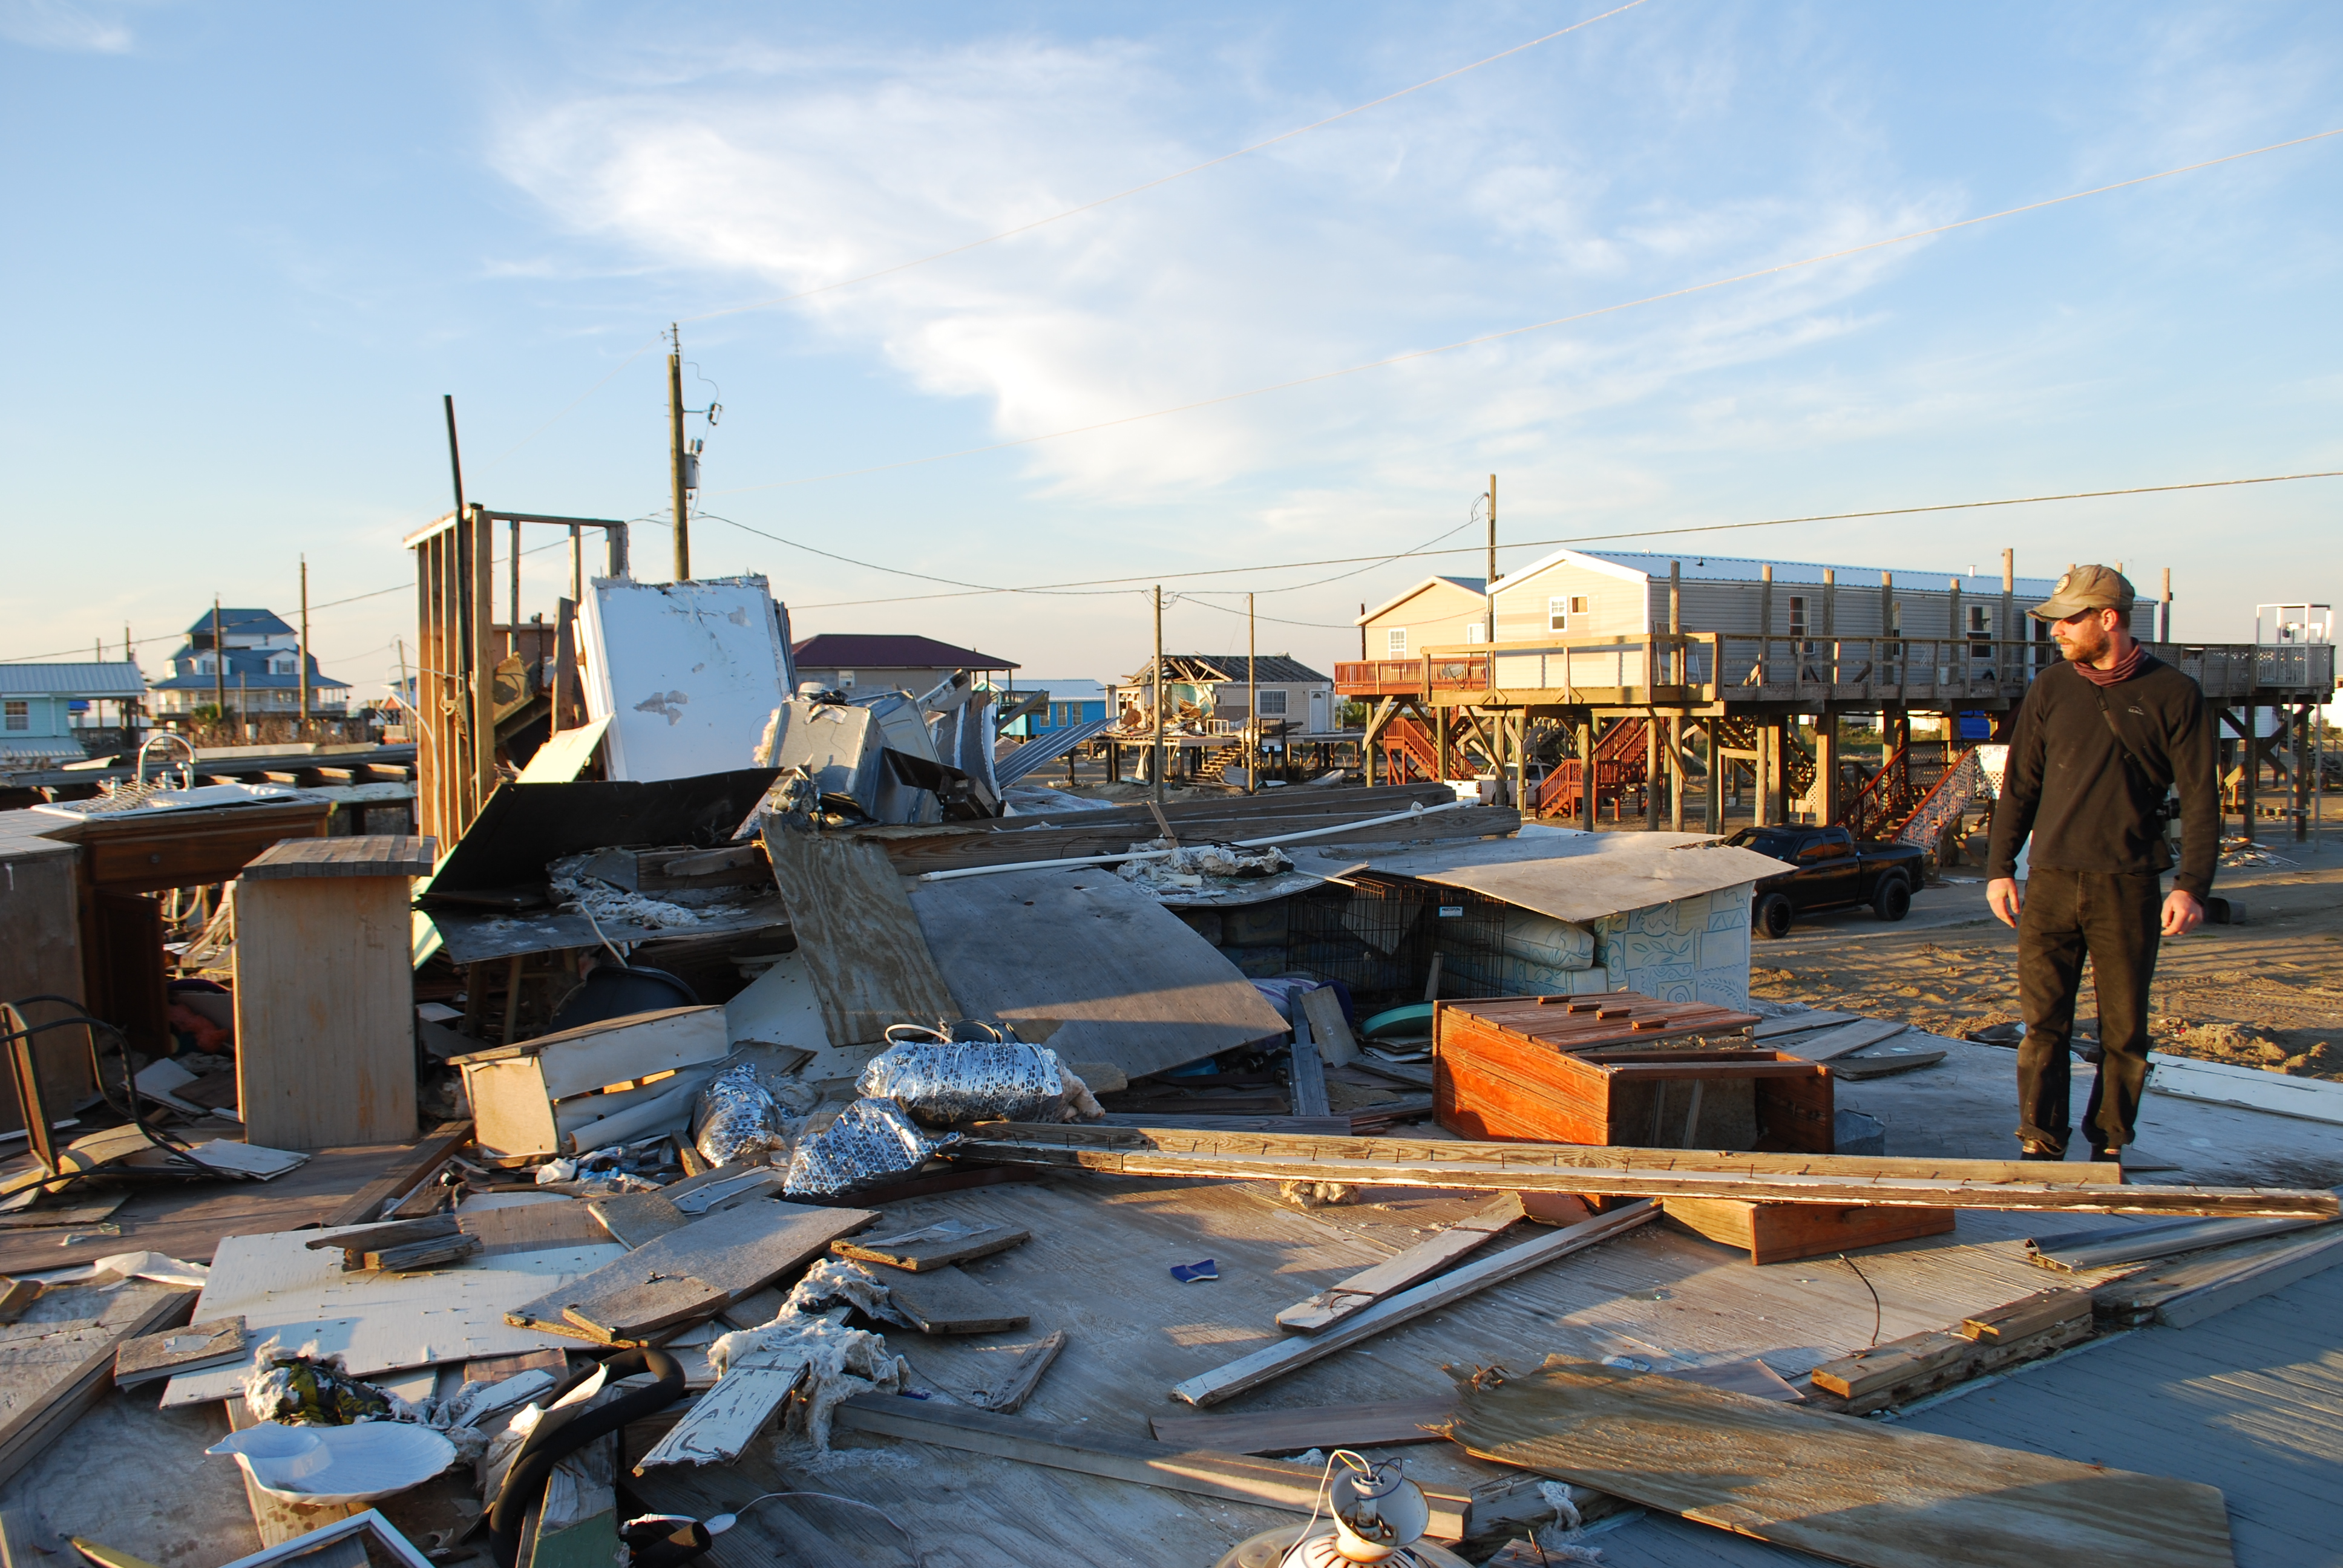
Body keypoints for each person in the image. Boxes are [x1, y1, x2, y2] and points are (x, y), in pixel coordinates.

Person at [1985, 564, 2218, 1163]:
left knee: (2124, 1033)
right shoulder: (2050, 688)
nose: (2056, 632)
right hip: (2051, 882)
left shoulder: (2174, 694)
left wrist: (2190, 884)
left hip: (2128, 883)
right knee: (2042, 1028)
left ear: (2106, 619)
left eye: (2067, 620)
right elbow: (2019, 787)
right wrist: (1998, 868)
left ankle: (2109, 1144)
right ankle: (2040, 1142)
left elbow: (2199, 798)